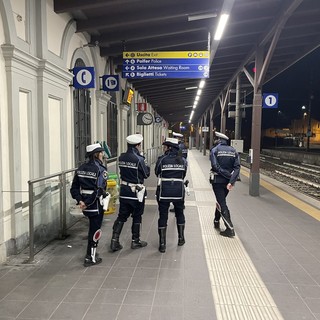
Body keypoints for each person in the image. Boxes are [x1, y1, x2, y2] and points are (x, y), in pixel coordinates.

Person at [110, 134, 150, 252]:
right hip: (136, 192)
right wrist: (145, 163)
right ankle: (135, 241)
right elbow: (146, 174)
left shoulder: (121, 157)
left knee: (122, 216)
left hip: (124, 190)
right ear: (137, 145)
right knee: (137, 216)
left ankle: (114, 241)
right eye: (140, 145)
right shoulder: (139, 159)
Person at [70, 143, 108, 267]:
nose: (103, 154)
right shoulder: (100, 170)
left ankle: (91, 253)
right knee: (95, 230)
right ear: (96, 154)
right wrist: (87, 203)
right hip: (95, 204)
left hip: (85, 203)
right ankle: (90, 257)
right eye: (101, 152)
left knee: (92, 228)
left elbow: (74, 188)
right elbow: (99, 190)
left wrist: (80, 201)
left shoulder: (80, 168)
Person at [155, 138, 188, 253]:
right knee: (180, 213)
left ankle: (162, 244)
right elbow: (183, 174)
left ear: (169, 148)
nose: (164, 148)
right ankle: (181, 238)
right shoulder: (183, 160)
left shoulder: (162, 159)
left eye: (165, 146)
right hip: (179, 191)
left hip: (164, 191)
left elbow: (157, 172)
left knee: (163, 216)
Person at [209, 132, 240, 237]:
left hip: (217, 181)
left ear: (218, 140)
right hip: (228, 183)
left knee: (222, 202)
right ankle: (216, 220)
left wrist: (225, 174)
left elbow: (215, 166)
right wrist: (231, 180)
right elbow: (237, 167)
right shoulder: (234, 151)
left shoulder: (215, 150)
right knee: (220, 199)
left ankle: (229, 228)